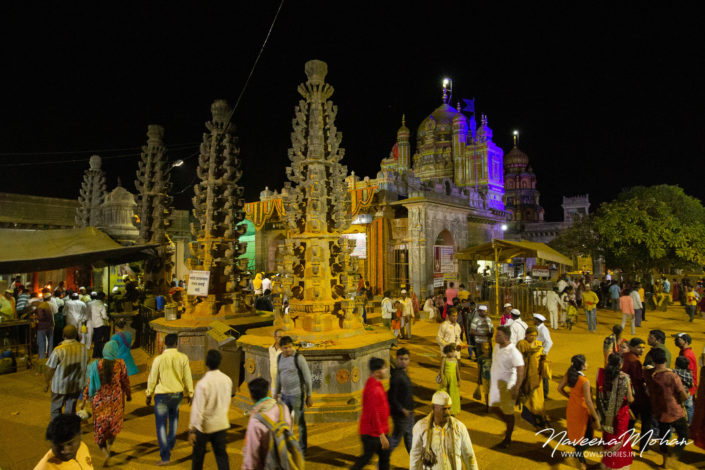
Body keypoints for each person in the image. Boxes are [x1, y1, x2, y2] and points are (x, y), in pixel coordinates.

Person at [146, 333, 194, 465]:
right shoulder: (183, 358)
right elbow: (187, 377)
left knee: (161, 425)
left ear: (165, 344)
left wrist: (148, 394)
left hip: (161, 395)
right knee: (174, 419)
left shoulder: (158, 359)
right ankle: (171, 441)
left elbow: (152, 378)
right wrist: (190, 393)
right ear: (176, 344)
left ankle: (165, 456)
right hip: (177, 394)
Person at [81, 340, 131, 458]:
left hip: (100, 403)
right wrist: (129, 395)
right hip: (116, 402)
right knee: (114, 426)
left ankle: (104, 450)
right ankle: (109, 446)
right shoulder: (120, 364)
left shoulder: (96, 365)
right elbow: (125, 381)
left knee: (100, 427)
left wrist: (84, 400)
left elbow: (89, 385)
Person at [409, 390, 479, 470]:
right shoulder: (420, 428)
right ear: (433, 408)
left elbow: (469, 457)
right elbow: (415, 458)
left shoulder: (459, 427)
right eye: (444, 409)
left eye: (449, 408)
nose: (448, 412)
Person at [644, 347, 689, 468]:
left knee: (663, 437)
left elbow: (648, 369)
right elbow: (683, 396)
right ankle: (673, 456)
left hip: (660, 412)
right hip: (675, 411)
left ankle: (664, 462)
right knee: (684, 435)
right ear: (665, 360)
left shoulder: (649, 375)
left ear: (653, 361)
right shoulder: (672, 376)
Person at [189, 349, 232, 470]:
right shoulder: (227, 380)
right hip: (221, 423)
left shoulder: (202, 383)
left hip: (204, 426)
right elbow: (227, 401)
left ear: (206, 363)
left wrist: (192, 429)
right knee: (221, 456)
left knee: (198, 458)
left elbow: (198, 409)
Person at [558, 354, 601, 470]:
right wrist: (596, 417)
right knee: (586, 437)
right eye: (586, 363)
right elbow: (588, 401)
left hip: (572, 408)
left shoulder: (569, 374)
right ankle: (580, 460)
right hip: (582, 411)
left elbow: (559, 388)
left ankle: (581, 461)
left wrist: (570, 397)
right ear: (582, 366)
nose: (587, 364)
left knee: (577, 435)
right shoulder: (584, 381)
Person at [242, 377, 293, 470]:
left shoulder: (255, 420)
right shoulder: (283, 409)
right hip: (284, 460)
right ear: (267, 391)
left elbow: (252, 454)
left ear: (252, 396)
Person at [274, 335, 313, 453]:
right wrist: (276, 392)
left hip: (297, 395)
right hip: (284, 395)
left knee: (300, 422)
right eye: (285, 348)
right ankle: (286, 445)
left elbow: (307, 378)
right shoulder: (280, 357)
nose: (289, 350)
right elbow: (279, 376)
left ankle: (302, 448)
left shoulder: (299, 358)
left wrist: (309, 395)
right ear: (280, 348)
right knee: (284, 422)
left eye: (290, 347)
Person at [350, 357, 390, 470]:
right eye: (384, 368)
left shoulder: (375, 384)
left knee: (379, 458)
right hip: (373, 433)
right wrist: (382, 435)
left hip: (375, 431)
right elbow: (374, 413)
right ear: (377, 372)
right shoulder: (373, 389)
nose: (386, 370)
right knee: (369, 458)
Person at [489, 325, 525, 448]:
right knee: (493, 408)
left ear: (506, 337)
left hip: (508, 386)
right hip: (496, 385)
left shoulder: (513, 352)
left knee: (509, 412)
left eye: (498, 336)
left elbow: (520, 370)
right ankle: (511, 425)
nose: (495, 337)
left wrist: (517, 387)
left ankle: (508, 439)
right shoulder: (496, 347)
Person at [595, 353, 633, 470]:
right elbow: (630, 399)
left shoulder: (600, 374)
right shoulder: (625, 378)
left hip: (605, 414)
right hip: (621, 414)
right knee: (620, 438)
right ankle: (617, 466)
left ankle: (607, 464)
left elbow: (598, 394)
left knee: (609, 437)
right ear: (621, 365)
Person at [45, 325, 89, 420]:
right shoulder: (83, 348)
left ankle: (57, 430)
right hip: (76, 385)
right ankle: (68, 429)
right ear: (76, 335)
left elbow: (50, 368)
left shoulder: (58, 350)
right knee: (70, 409)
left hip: (59, 386)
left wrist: (46, 383)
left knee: (56, 409)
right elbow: (86, 364)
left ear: (63, 335)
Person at [621, 337, 650, 453]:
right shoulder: (634, 361)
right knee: (646, 422)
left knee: (629, 423)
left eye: (643, 348)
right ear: (631, 347)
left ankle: (625, 446)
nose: (642, 350)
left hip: (627, 395)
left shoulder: (625, 357)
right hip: (637, 396)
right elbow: (638, 379)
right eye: (639, 347)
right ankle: (644, 447)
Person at [516, 326, 548, 427]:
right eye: (531, 335)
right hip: (526, 375)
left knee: (539, 398)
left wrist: (543, 359)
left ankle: (539, 416)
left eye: (535, 335)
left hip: (537, 375)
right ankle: (533, 418)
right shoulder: (521, 344)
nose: (533, 337)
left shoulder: (539, 344)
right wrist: (528, 354)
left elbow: (541, 356)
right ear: (526, 335)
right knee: (530, 397)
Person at [388, 348, 413, 454]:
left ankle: (415, 464)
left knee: (409, 438)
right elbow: (391, 397)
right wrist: (402, 410)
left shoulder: (403, 373)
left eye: (406, 359)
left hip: (409, 413)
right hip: (401, 414)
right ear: (397, 359)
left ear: (409, 360)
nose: (403, 361)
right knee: (395, 439)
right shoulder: (397, 376)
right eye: (401, 359)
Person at [439, 344, 461, 416]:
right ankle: (443, 410)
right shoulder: (444, 359)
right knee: (444, 394)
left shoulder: (455, 360)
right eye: (449, 352)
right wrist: (442, 379)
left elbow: (457, 371)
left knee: (453, 395)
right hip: (446, 379)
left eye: (452, 352)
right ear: (446, 352)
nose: (451, 354)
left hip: (453, 380)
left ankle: (453, 410)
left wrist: (459, 380)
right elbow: (441, 370)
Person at [674, 332, 698, 398]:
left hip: (687, 390)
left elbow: (690, 373)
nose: (675, 341)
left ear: (686, 341)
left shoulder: (687, 354)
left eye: (678, 339)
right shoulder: (683, 351)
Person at [87, 292, 109, 358]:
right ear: (103, 297)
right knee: (98, 339)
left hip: (91, 323)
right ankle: (98, 354)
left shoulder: (90, 303)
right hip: (99, 323)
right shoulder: (101, 304)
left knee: (96, 339)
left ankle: (95, 354)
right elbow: (104, 316)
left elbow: (87, 313)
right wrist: (108, 318)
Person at [674, 356, 694, 423]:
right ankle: (689, 424)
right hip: (686, 394)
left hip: (676, 394)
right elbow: (691, 385)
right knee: (689, 408)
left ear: (676, 364)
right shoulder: (688, 375)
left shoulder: (674, 372)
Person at [36, 295, 55, 365]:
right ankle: (50, 355)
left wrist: (36, 318)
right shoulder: (48, 306)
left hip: (42, 327)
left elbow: (40, 317)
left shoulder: (40, 307)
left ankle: (42, 357)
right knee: (50, 341)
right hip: (50, 326)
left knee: (41, 342)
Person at [476, 342, 492, 411]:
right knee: (486, 391)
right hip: (484, 377)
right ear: (483, 350)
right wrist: (478, 378)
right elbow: (479, 369)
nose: (487, 351)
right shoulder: (480, 358)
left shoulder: (493, 357)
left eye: (488, 349)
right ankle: (487, 404)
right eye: (485, 349)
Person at [268, 328, 282, 395]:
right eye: (279, 337)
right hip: (273, 384)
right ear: (275, 337)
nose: (281, 339)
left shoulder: (286, 350)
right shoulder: (270, 349)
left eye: (282, 337)